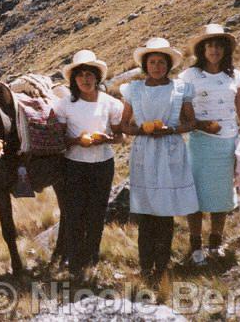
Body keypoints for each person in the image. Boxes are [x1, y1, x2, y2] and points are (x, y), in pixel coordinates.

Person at [119, 38, 199, 283]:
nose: (156, 66)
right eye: (152, 62)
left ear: (168, 65)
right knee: (146, 212)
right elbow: (124, 125)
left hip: (170, 150)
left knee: (165, 211)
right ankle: (145, 266)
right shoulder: (134, 90)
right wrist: (142, 131)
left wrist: (171, 130)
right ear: (145, 65)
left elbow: (191, 122)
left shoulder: (180, 89)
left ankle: (162, 265)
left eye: (161, 62)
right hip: (144, 151)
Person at [180, 24, 240, 264]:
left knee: (221, 194)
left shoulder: (234, 76)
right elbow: (182, 110)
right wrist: (198, 124)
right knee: (196, 195)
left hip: (227, 142)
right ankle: (195, 245)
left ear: (225, 50)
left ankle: (215, 242)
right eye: (210, 45)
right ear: (202, 49)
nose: (214, 50)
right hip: (200, 142)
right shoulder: (189, 76)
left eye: (218, 46)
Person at [50, 50, 123, 278]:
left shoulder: (110, 103)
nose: (85, 79)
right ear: (74, 79)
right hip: (74, 165)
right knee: (74, 213)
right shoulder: (64, 106)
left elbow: (120, 137)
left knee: (97, 213)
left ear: (97, 77)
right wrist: (76, 140)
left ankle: (91, 259)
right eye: (80, 75)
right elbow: (59, 140)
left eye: (89, 74)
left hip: (103, 164)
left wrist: (106, 139)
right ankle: (73, 262)